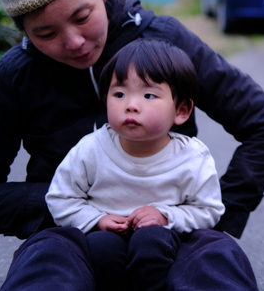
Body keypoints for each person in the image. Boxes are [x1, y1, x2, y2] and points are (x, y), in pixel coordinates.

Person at [0, 0, 264, 290]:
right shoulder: (17, 74)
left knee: (215, 261)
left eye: (82, 17)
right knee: (45, 268)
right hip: (67, 235)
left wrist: (210, 215)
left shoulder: (166, 42)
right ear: (25, 31)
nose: (73, 42)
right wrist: (75, 206)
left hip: (175, 235)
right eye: (46, 33)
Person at [46, 38, 225, 291]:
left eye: (149, 95)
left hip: (164, 242)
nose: (130, 105)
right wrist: (97, 219)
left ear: (181, 110)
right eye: (119, 94)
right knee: (101, 246)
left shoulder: (192, 157)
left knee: (151, 241)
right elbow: (60, 199)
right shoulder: (91, 149)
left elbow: (209, 210)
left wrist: (166, 216)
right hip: (104, 238)